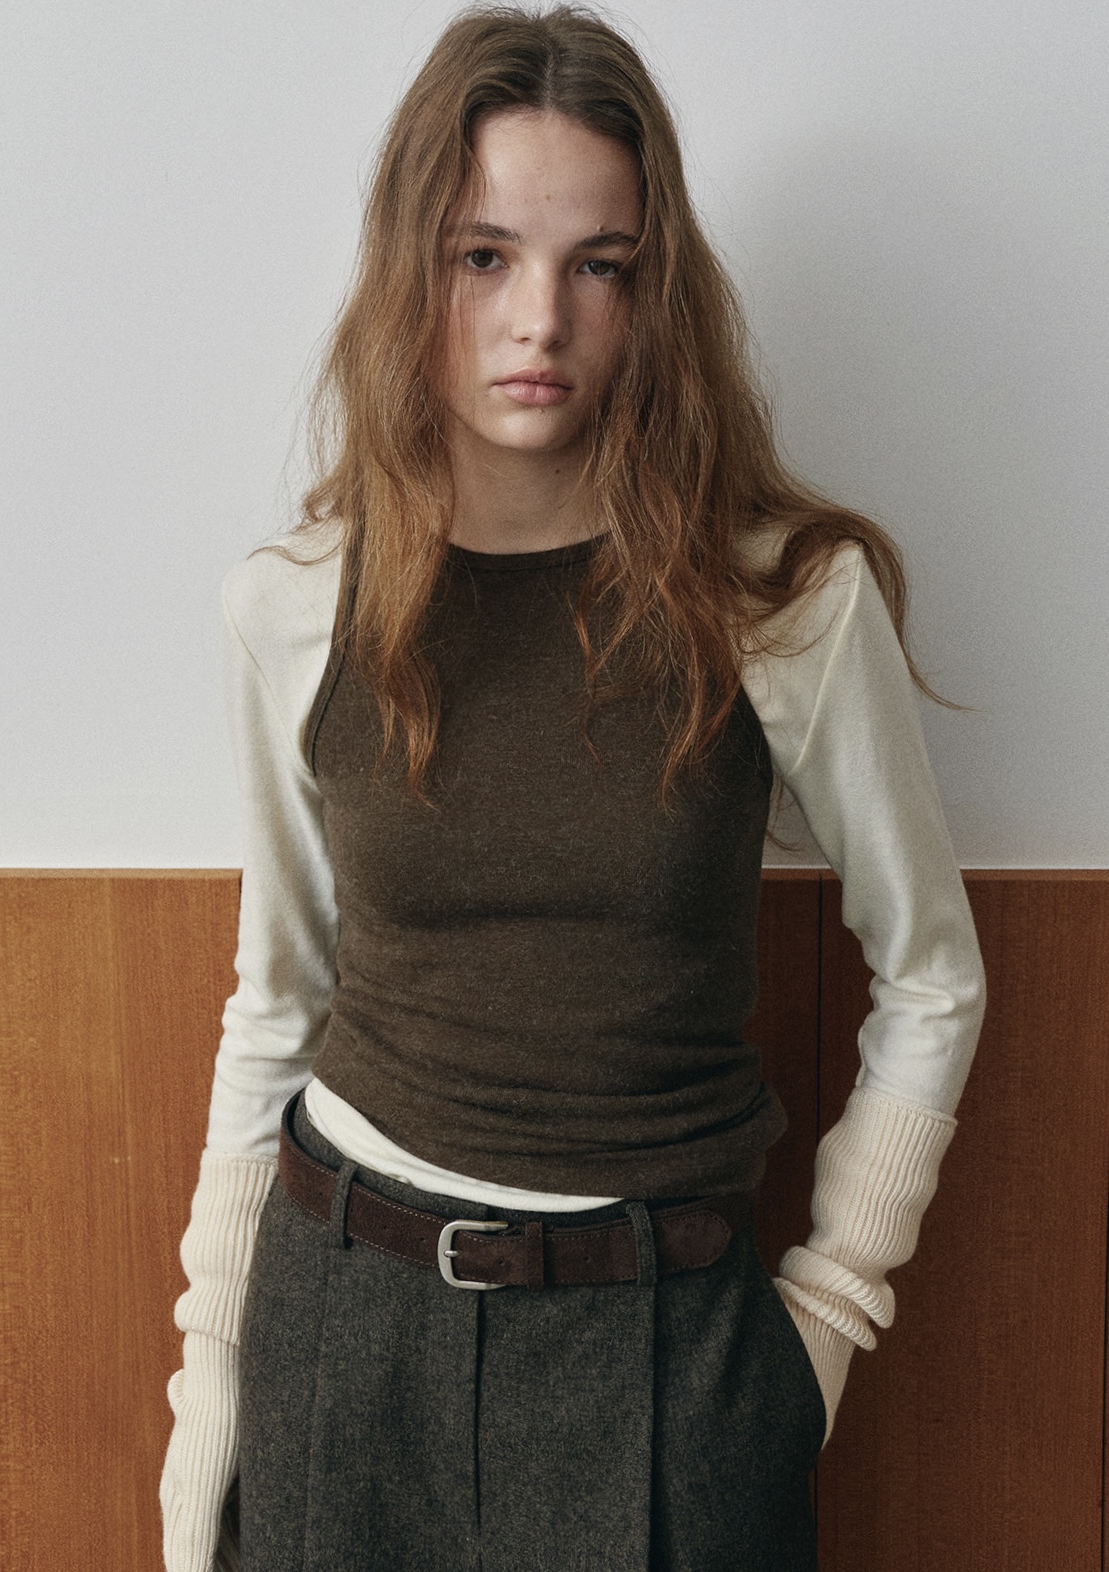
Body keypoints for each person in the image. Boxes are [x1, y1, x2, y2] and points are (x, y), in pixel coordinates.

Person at [160, 7, 985, 1569]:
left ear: (652, 294)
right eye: (482, 256)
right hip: (343, 1338)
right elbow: (277, 1003)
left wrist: (824, 1317)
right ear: (411, 268)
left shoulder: (780, 604)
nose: (537, 318)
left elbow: (936, 973)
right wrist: (213, 1394)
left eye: (598, 265)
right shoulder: (293, 605)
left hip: (670, 1361)